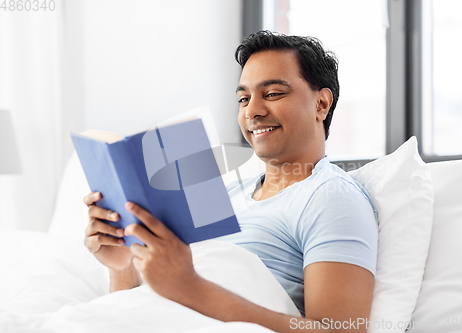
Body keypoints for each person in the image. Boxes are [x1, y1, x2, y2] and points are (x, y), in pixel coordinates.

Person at [83, 31, 378, 332]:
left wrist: (188, 286)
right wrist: (122, 268)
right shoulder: (222, 195)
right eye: (243, 98)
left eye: (273, 93)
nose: (252, 111)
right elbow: (138, 313)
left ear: (321, 104)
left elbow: (341, 330)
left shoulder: (331, 196)